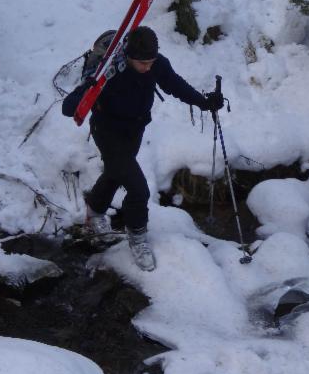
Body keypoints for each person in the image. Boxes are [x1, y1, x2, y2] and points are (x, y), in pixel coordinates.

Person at [63, 26, 223, 271]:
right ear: (128, 56)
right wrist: (77, 99)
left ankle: (94, 214)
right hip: (107, 132)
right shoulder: (109, 70)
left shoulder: (156, 63)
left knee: (115, 174)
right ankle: (137, 237)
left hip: (134, 131)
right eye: (142, 63)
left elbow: (175, 85)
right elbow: (76, 99)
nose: (148, 67)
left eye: (151, 61)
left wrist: (204, 102)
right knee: (139, 190)